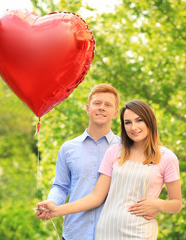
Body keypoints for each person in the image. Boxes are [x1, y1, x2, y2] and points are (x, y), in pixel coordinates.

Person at [36, 100, 182, 240]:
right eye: (128, 122)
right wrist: (55, 210)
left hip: (140, 232)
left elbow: (177, 204)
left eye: (139, 120)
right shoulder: (114, 152)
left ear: (150, 122)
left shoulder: (167, 157)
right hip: (106, 231)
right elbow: (96, 197)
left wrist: (159, 205)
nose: (133, 127)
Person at [35, 84, 121, 240]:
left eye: (107, 105)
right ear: (88, 108)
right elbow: (60, 186)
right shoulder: (68, 148)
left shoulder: (125, 149)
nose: (101, 108)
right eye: (97, 103)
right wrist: (51, 203)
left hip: (113, 234)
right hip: (75, 233)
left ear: (115, 113)